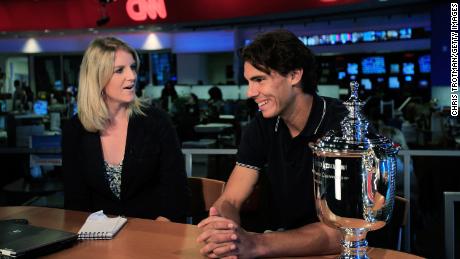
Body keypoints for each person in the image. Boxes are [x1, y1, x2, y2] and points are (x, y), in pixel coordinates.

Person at [197, 29, 349, 258]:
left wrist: (256, 244)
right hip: (281, 246)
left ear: (294, 75)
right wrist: (223, 229)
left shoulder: (344, 126)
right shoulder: (262, 126)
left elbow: (342, 233)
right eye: (249, 82)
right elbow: (231, 198)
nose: (250, 92)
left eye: (259, 80)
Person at [62, 37, 189, 222]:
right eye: (119, 70)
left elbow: (176, 191)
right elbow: (75, 200)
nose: (132, 76)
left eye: (133, 67)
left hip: (153, 233)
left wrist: (162, 228)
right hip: (99, 240)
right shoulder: (75, 129)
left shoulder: (157, 121)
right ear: (98, 77)